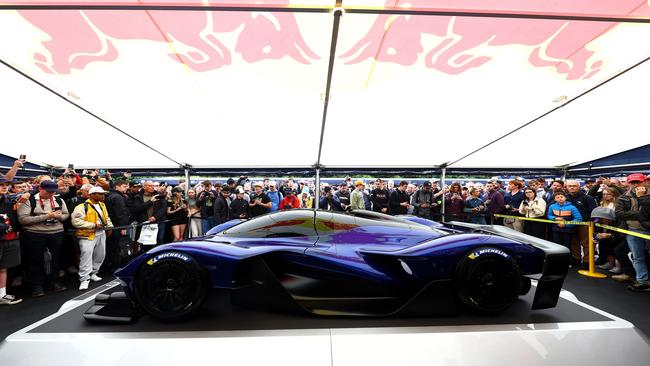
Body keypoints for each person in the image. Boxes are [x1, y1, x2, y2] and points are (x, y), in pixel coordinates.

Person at [18, 180, 70, 297]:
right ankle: (37, 286)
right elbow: (23, 220)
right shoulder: (29, 200)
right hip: (34, 233)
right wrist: (47, 216)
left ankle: (54, 282)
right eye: (48, 191)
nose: (51, 194)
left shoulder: (58, 199)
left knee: (55, 259)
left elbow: (66, 214)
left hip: (56, 232)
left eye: (53, 192)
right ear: (40, 189)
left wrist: (59, 217)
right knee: (35, 260)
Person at [71, 187, 113, 291]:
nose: (102, 195)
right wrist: (93, 225)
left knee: (100, 254)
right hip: (87, 234)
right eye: (99, 194)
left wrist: (110, 227)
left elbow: (106, 218)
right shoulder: (81, 207)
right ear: (92, 195)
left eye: (102, 194)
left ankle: (94, 272)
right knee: (86, 256)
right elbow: (76, 222)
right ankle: (84, 279)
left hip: (101, 233)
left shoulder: (102, 205)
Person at [615, 173, 650, 292]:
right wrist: (641, 215)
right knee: (637, 257)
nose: (636, 185)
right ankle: (642, 281)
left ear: (645, 181)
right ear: (629, 183)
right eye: (633, 182)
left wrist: (642, 198)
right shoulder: (624, 197)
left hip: (647, 229)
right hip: (633, 230)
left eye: (638, 182)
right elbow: (619, 213)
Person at [565, 180, 598, 266]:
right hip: (570, 224)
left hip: (585, 224)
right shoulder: (565, 198)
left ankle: (587, 262)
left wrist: (592, 223)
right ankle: (576, 259)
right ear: (567, 187)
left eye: (574, 186)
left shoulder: (588, 198)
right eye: (570, 186)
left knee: (587, 244)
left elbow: (594, 212)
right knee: (573, 243)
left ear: (579, 187)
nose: (572, 187)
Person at [0, 180, 22, 304]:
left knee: (3, 268)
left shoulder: (7, 200)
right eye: (1, 185)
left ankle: (2, 295)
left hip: (10, 238)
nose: (4, 187)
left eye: (5, 185)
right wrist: (2, 227)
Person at [547, 191, 583, 263]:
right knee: (556, 245)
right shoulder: (552, 206)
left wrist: (566, 224)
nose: (560, 199)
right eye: (557, 197)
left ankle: (566, 261)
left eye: (561, 197)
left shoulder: (572, 207)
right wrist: (555, 218)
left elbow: (579, 219)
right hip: (556, 230)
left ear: (565, 198)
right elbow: (549, 215)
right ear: (555, 199)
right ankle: (557, 261)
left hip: (567, 230)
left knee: (567, 246)